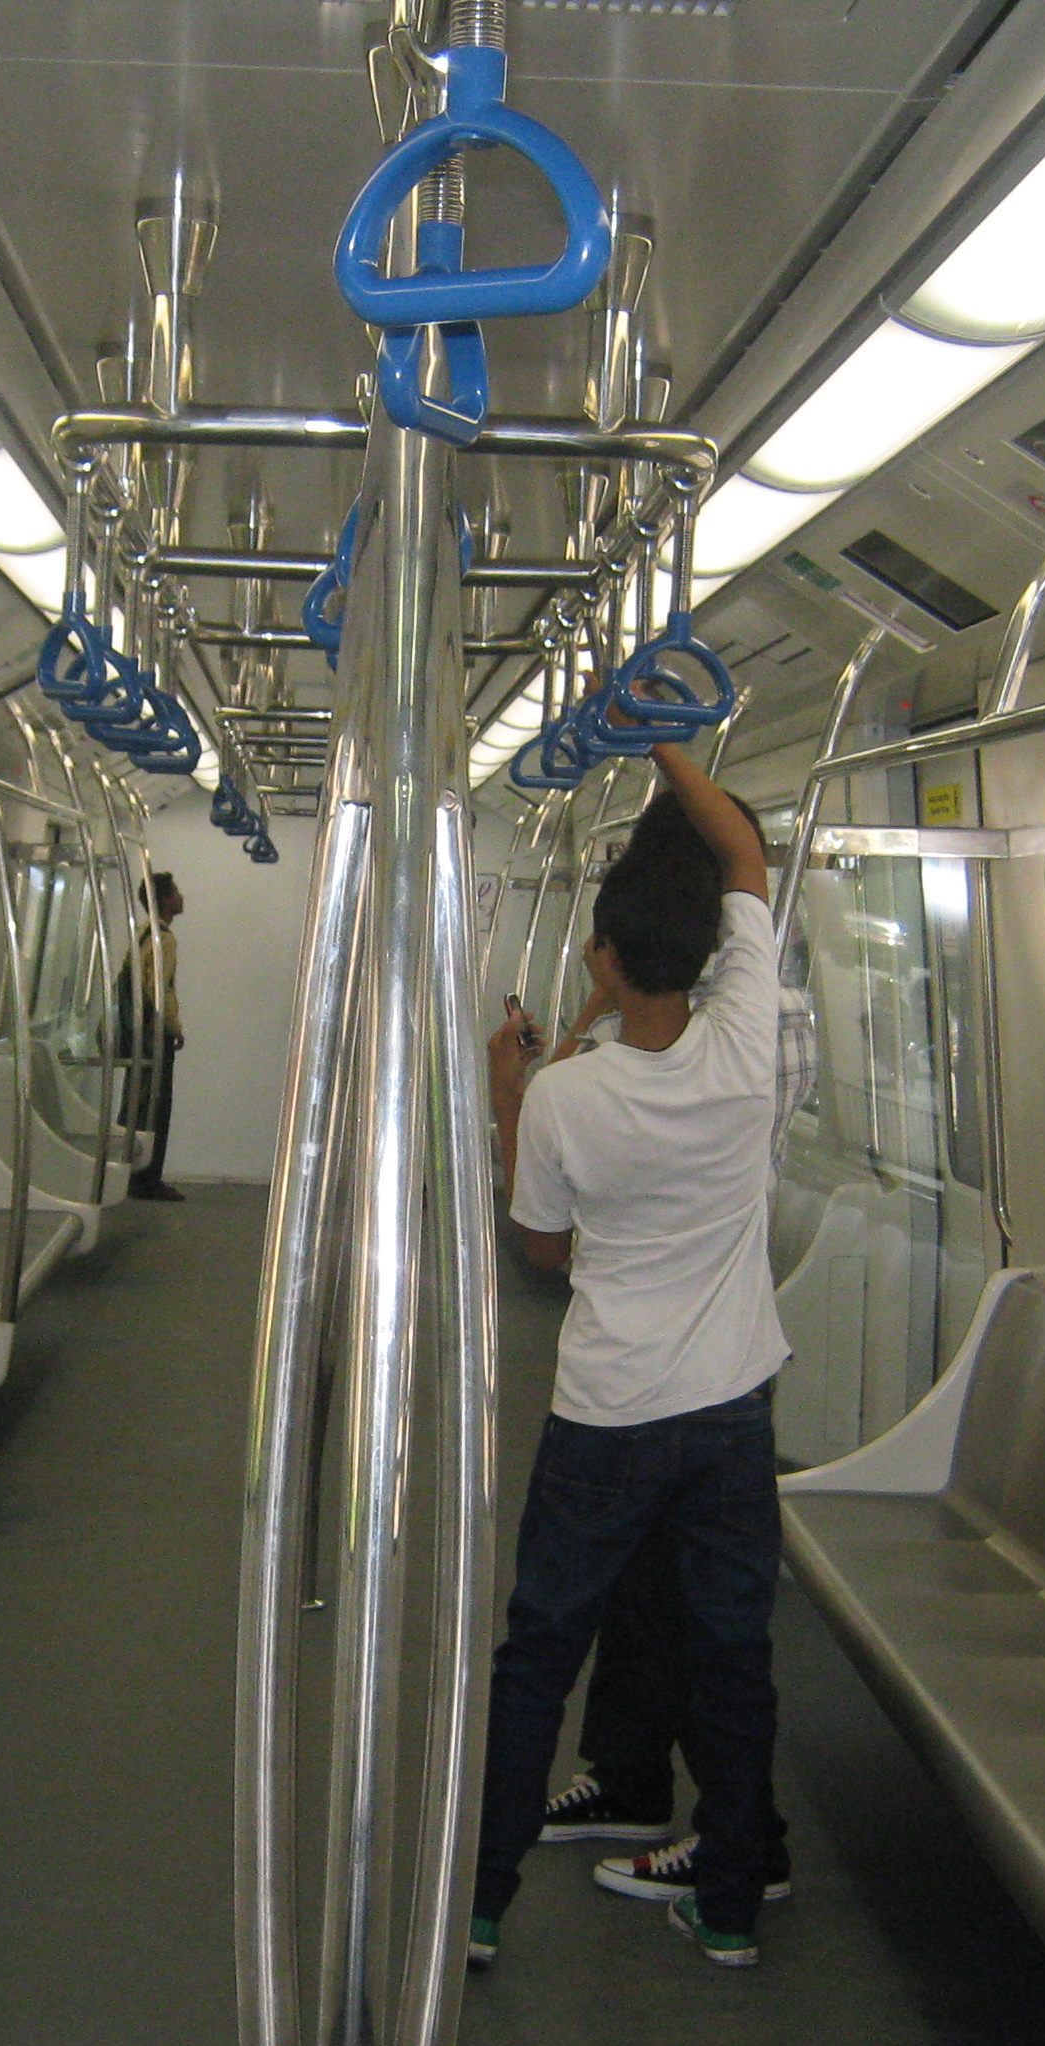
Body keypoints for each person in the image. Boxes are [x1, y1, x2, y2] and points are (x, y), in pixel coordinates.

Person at [470, 733, 790, 1973]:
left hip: (607, 1412)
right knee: (731, 1650)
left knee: (540, 1651)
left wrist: (515, 1091)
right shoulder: (743, 1040)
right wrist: (669, 741)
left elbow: (541, 1252)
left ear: (602, 952)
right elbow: (742, 849)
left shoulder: (563, 1097)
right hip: (728, 1413)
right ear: (711, 952)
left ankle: (485, 1901)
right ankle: (725, 1909)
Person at [122, 872, 186, 1201]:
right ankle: (147, 1179)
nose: (181, 896)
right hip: (153, 1033)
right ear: (163, 900)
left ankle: (127, 1174)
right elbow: (160, 989)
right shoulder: (165, 939)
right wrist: (174, 1028)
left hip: (137, 1032)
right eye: (175, 891)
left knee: (136, 1103)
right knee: (156, 1106)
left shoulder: (143, 933)